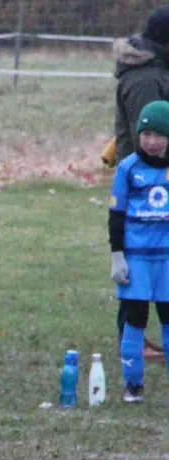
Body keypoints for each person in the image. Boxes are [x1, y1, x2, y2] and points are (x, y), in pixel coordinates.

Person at [113, 8, 169, 361]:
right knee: (136, 259)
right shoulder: (147, 79)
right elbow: (148, 138)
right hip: (143, 184)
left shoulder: (156, 71)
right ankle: (132, 335)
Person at [110, 100, 169, 403]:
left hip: (167, 259)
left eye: (159, 135)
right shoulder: (128, 168)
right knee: (135, 319)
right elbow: (116, 215)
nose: (152, 141)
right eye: (146, 134)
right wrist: (117, 256)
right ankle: (133, 386)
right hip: (137, 259)